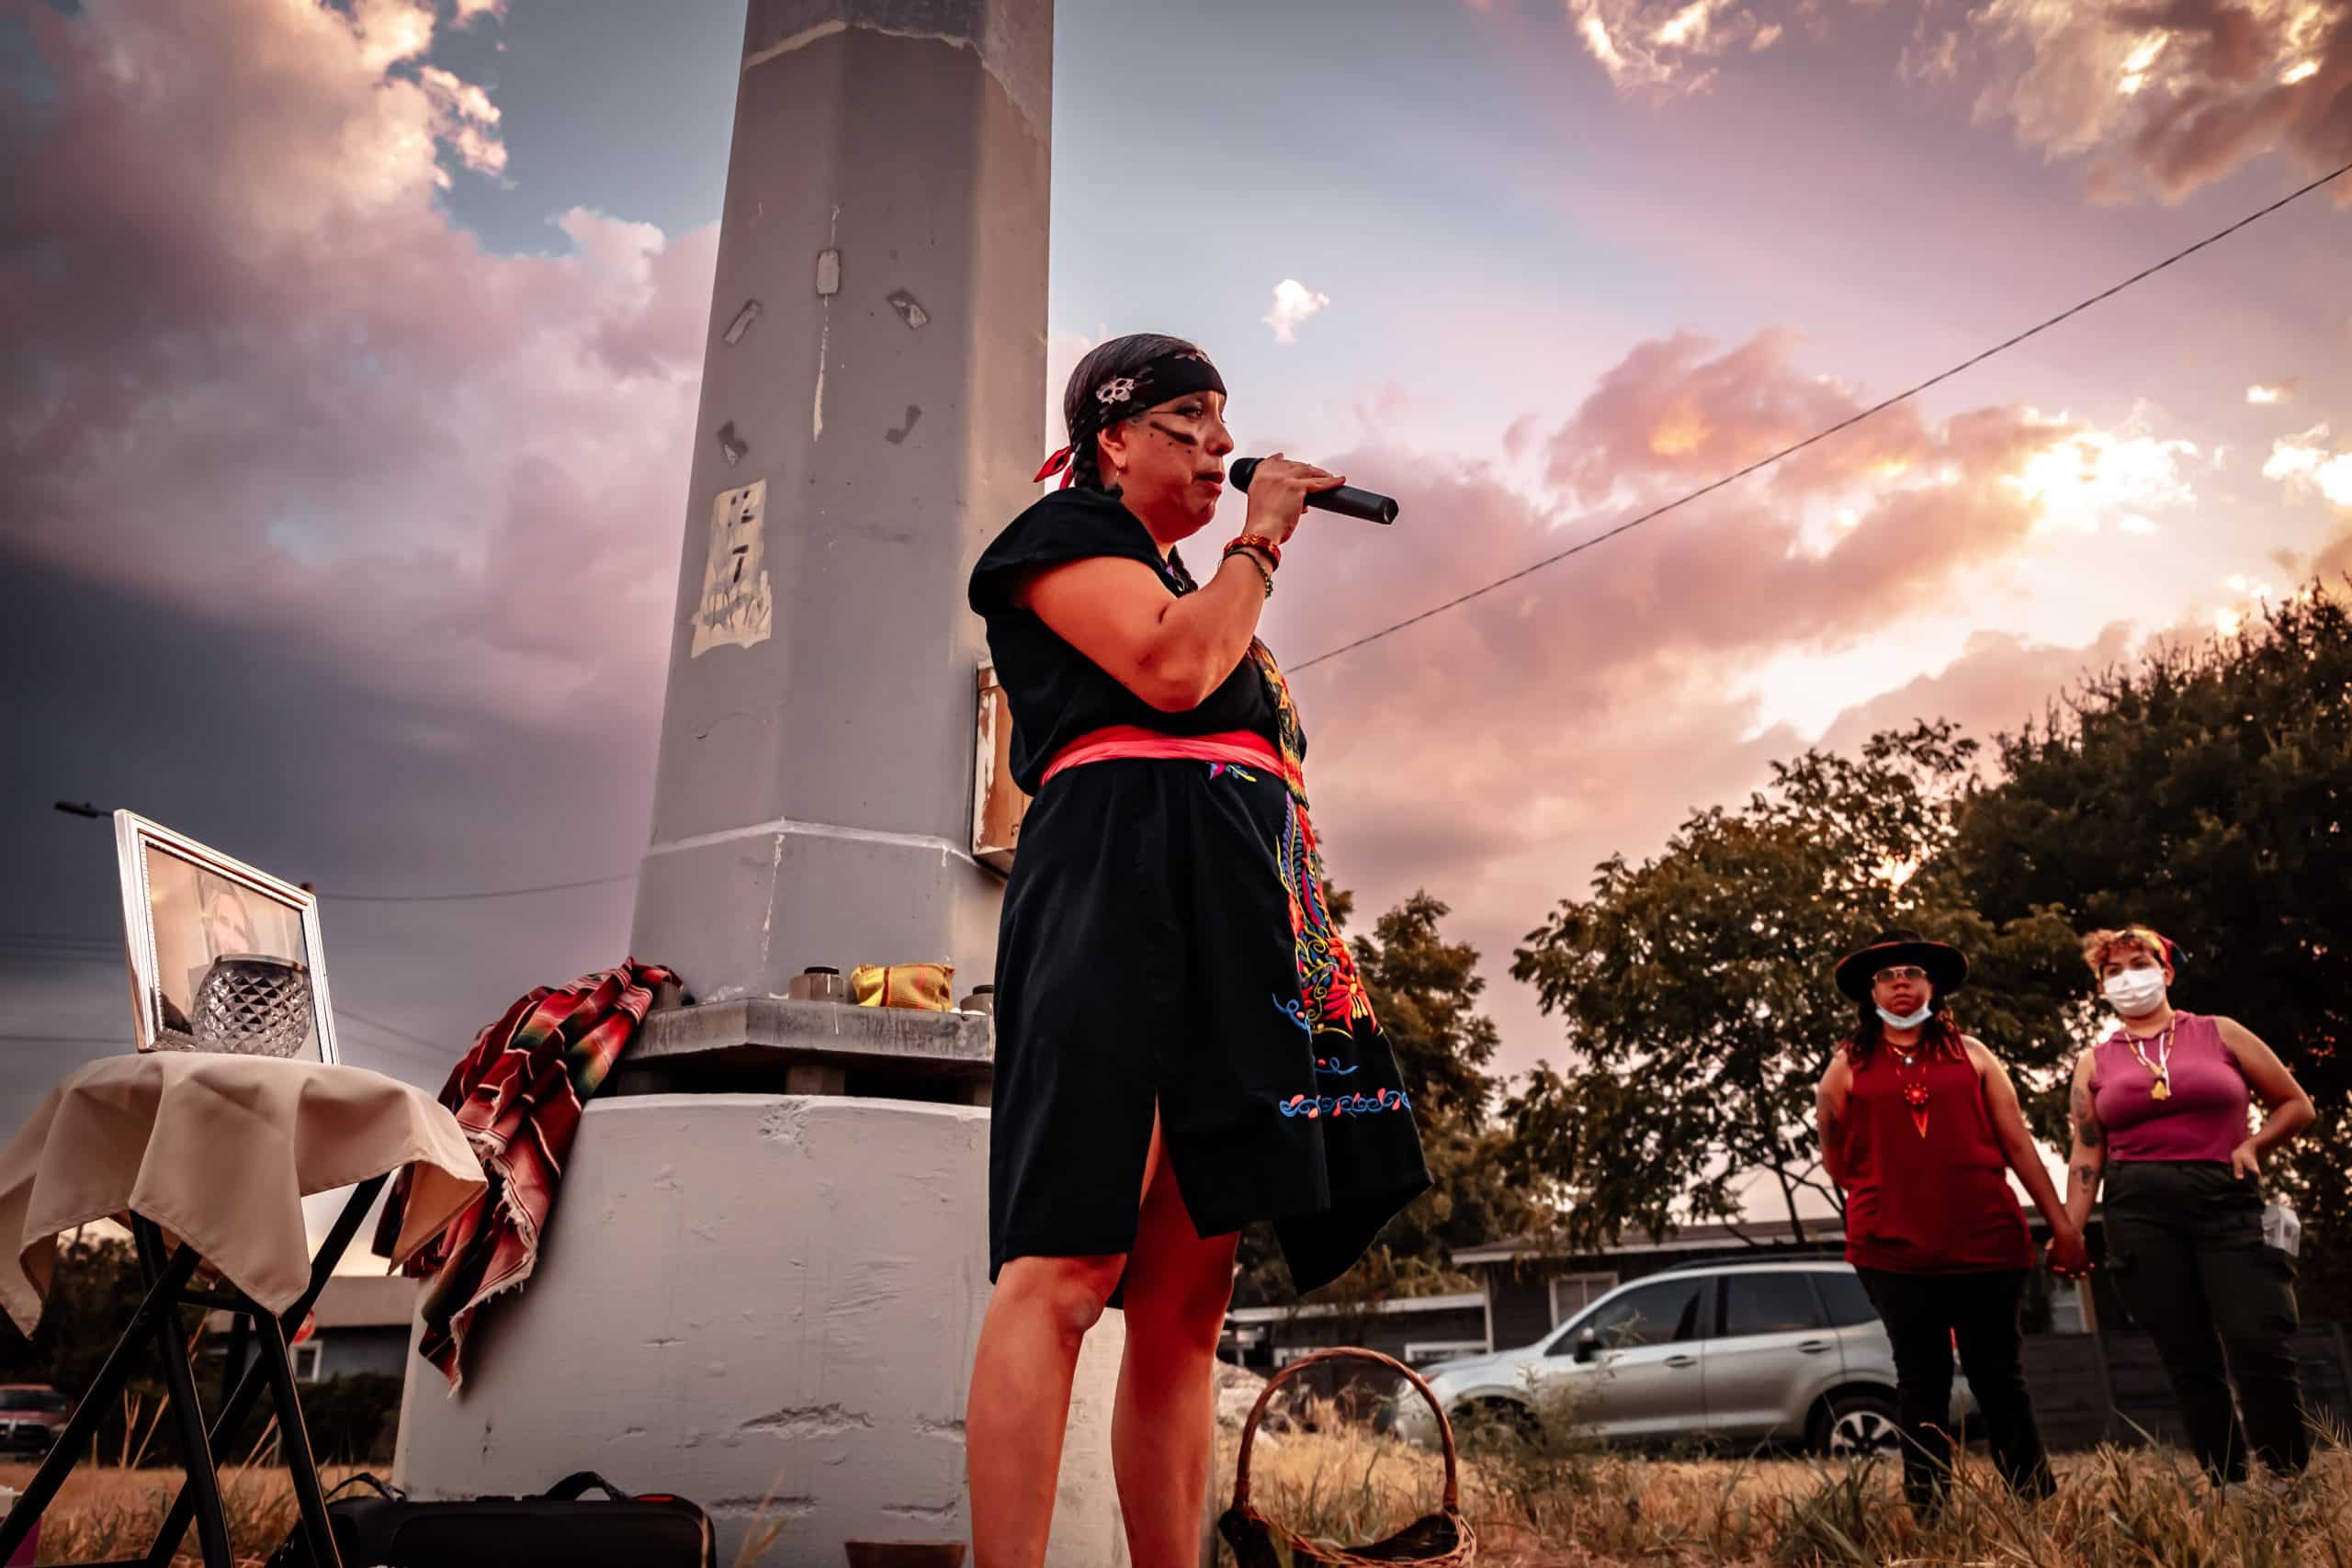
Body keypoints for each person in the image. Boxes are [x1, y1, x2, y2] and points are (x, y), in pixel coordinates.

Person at [962, 335, 1430, 1568]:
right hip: (1116, 884)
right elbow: (1172, 669)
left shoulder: (1195, 578)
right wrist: (1262, 538)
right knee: (1068, 1261)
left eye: (1228, 422)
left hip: (1236, 912)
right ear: (1114, 438)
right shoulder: (1060, 541)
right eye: (1190, 419)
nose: (1224, 446)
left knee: (1185, 1298)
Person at [1815, 928, 2087, 1515]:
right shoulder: (1847, 1064)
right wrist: (1881, 1194)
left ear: (1932, 984)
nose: (1901, 984)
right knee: (1921, 1377)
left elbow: (2019, 1146)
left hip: (1986, 1241)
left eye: (1912, 973)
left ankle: (2033, 1507)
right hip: (1892, 1248)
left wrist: (2063, 1227)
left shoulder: (1975, 1055)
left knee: (1998, 1376)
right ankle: (1930, 1514)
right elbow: (1835, 1154)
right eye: (1888, 977)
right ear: (1872, 993)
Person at [2064, 925, 2317, 1490]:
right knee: (2188, 1354)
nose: (2129, 977)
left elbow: (2296, 1105)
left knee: (2258, 1337)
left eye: (2140, 963)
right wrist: (2070, 1230)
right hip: (2138, 1210)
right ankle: (2228, 1483)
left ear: (2167, 971)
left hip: (2227, 1201)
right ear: (2102, 985)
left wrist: (2253, 1144)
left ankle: (2287, 1478)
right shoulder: (2095, 1062)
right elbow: (2087, 1148)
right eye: (2115, 970)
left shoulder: (2219, 1033)